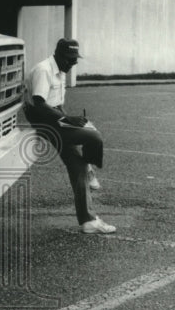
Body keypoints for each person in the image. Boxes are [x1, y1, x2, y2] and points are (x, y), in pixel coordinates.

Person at [22, 38, 116, 234]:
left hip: (54, 117)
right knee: (94, 137)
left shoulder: (61, 69)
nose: (73, 63)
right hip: (43, 120)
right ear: (58, 54)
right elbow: (39, 104)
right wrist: (67, 119)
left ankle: (88, 221)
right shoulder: (44, 70)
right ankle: (90, 171)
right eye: (70, 59)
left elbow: (56, 102)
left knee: (78, 166)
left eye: (75, 59)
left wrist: (69, 119)